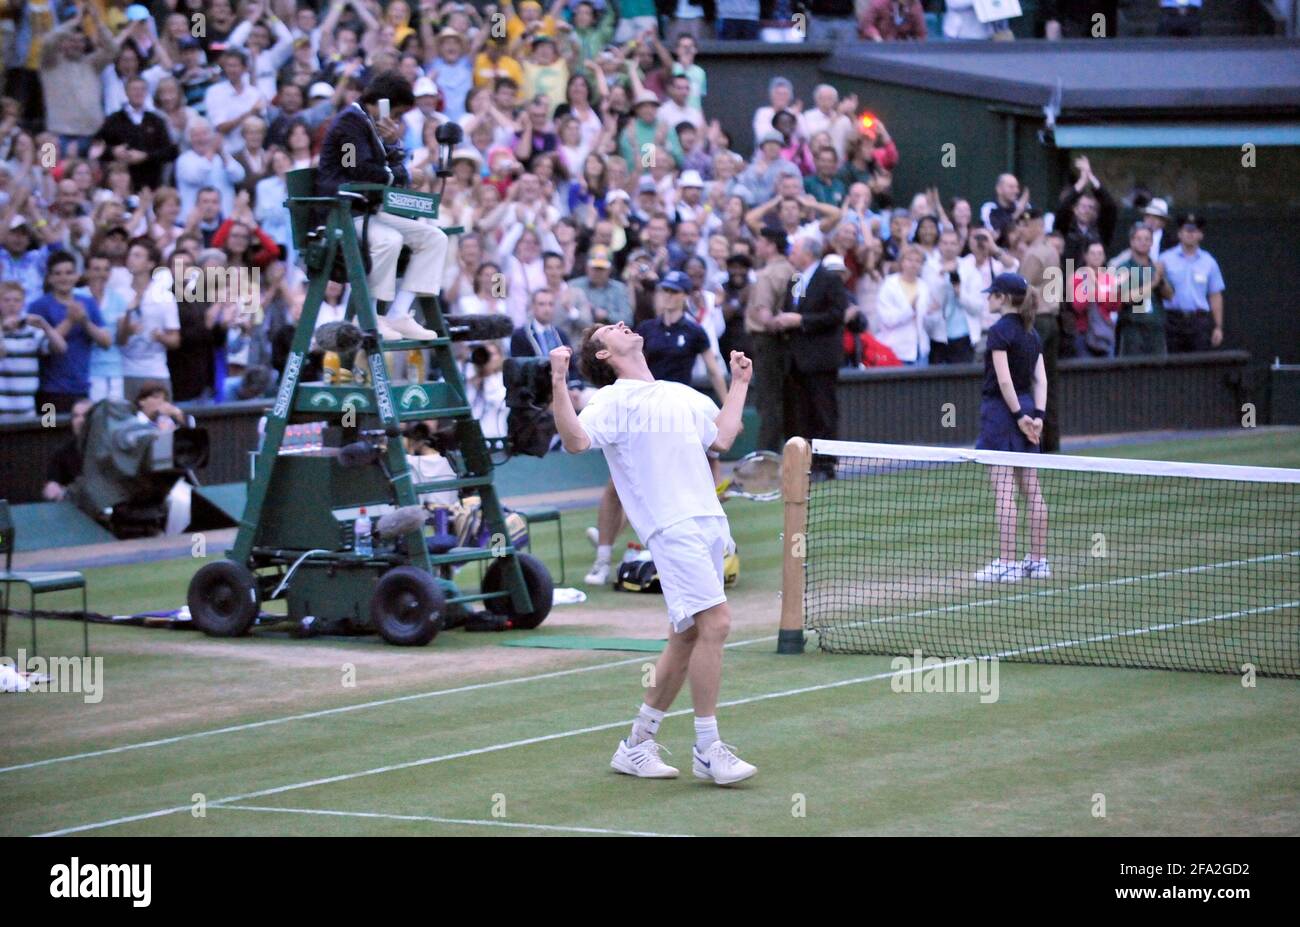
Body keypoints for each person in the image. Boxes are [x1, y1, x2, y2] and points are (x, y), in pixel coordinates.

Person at [550, 326, 758, 785]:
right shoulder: (611, 401)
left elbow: (721, 438)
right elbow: (576, 442)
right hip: (671, 527)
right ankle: (708, 748)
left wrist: (740, 384)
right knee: (717, 624)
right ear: (605, 352)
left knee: (685, 638)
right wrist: (559, 382)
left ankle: (637, 745)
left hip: (707, 524)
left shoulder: (678, 393)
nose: (625, 326)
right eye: (611, 329)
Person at [316, 71, 450, 340]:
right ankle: (370, 316)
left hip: (369, 212)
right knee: (389, 239)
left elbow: (386, 164)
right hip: (342, 213)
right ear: (384, 103)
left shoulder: (369, 124)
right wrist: (406, 175)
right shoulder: (347, 125)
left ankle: (398, 313)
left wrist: (392, 144)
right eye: (397, 114)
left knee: (434, 238)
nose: (397, 121)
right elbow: (357, 168)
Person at [973, 273, 1049, 585]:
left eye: (992, 294)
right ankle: (1038, 561)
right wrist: (1038, 416)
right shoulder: (1031, 333)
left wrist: (1019, 416)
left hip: (1004, 413)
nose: (988, 298)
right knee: (1032, 490)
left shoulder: (999, 332)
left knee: (1004, 490)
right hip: (1027, 410)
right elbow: (1041, 381)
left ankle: (1007, 564)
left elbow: (1004, 381)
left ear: (1002, 298)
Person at [775, 236, 846, 475]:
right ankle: (805, 463)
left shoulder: (829, 279)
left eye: (794, 251)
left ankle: (826, 464)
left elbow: (836, 314)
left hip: (820, 359)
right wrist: (783, 319)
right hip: (795, 360)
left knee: (823, 412)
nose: (790, 255)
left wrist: (802, 320)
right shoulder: (795, 279)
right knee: (801, 414)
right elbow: (791, 309)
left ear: (808, 253)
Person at [28, 251, 113, 412]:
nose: (64, 278)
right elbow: (39, 346)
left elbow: (106, 342)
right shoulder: (39, 306)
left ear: (76, 276)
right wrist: (69, 321)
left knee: (79, 434)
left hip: (81, 388)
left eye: (69, 273)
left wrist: (85, 321)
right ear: (50, 278)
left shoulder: (87, 303)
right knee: (48, 431)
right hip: (49, 390)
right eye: (58, 273)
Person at [0, 279, 67, 420]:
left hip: (26, 406)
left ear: (23, 303)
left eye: (16, 300)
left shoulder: (32, 332)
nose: (12, 304)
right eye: (6, 300)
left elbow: (61, 348)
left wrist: (45, 325)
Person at [1158, 213, 1224, 353]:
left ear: (1201, 235)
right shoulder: (1165, 259)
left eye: (1194, 231)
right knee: (1172, 367)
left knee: (1199, 367)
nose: (1190, 234)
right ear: (1179, 234)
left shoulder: (1209, 262)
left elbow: (1215, 295)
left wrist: (1218, 326)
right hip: (1171, 320)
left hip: (1198, 321)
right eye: (1187, 231)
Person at [1114, 224, 1172, 357]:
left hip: (1156, 328)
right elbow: (1126, 297)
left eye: (1147, 239)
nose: (1143, 242)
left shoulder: (1156, 267)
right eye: (1139, 239)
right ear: (1131, 241)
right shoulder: (1124, 268)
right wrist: (1153, 283)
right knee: (1132, 372)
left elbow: (1170, 295)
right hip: (1133, 329)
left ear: (1152, 242)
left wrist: (1161, 279)